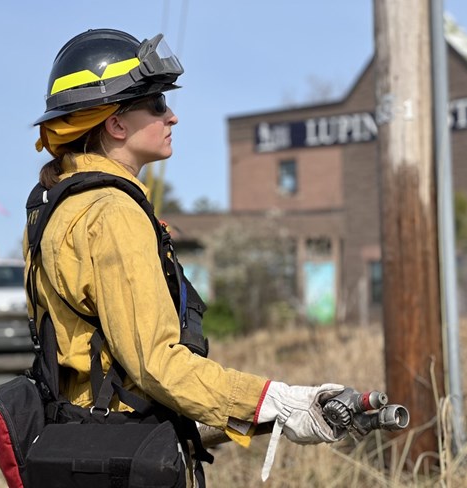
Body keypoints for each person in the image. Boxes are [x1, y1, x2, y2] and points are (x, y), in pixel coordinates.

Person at [26, 28, 352, 486]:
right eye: (157, 104)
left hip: (80, 444)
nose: (172, 116)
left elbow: (102, 362)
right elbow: (155, 363)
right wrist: (275, 402)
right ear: (115, 124)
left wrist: (219, 418)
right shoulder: (112, 213)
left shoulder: (55, 206)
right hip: (122, 452)